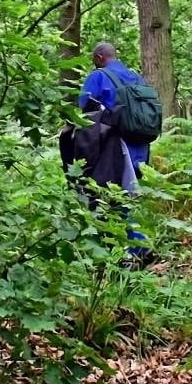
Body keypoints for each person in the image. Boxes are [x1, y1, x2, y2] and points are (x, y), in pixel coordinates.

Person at [77, 42, 152, 264]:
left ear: (99, 57)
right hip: (141, 146)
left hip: (115, 147)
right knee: (128, 196)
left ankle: (132, 247)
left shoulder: (98, 77)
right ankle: (131, 249)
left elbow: (83, 111)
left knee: (106, 196)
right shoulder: (136, 77)